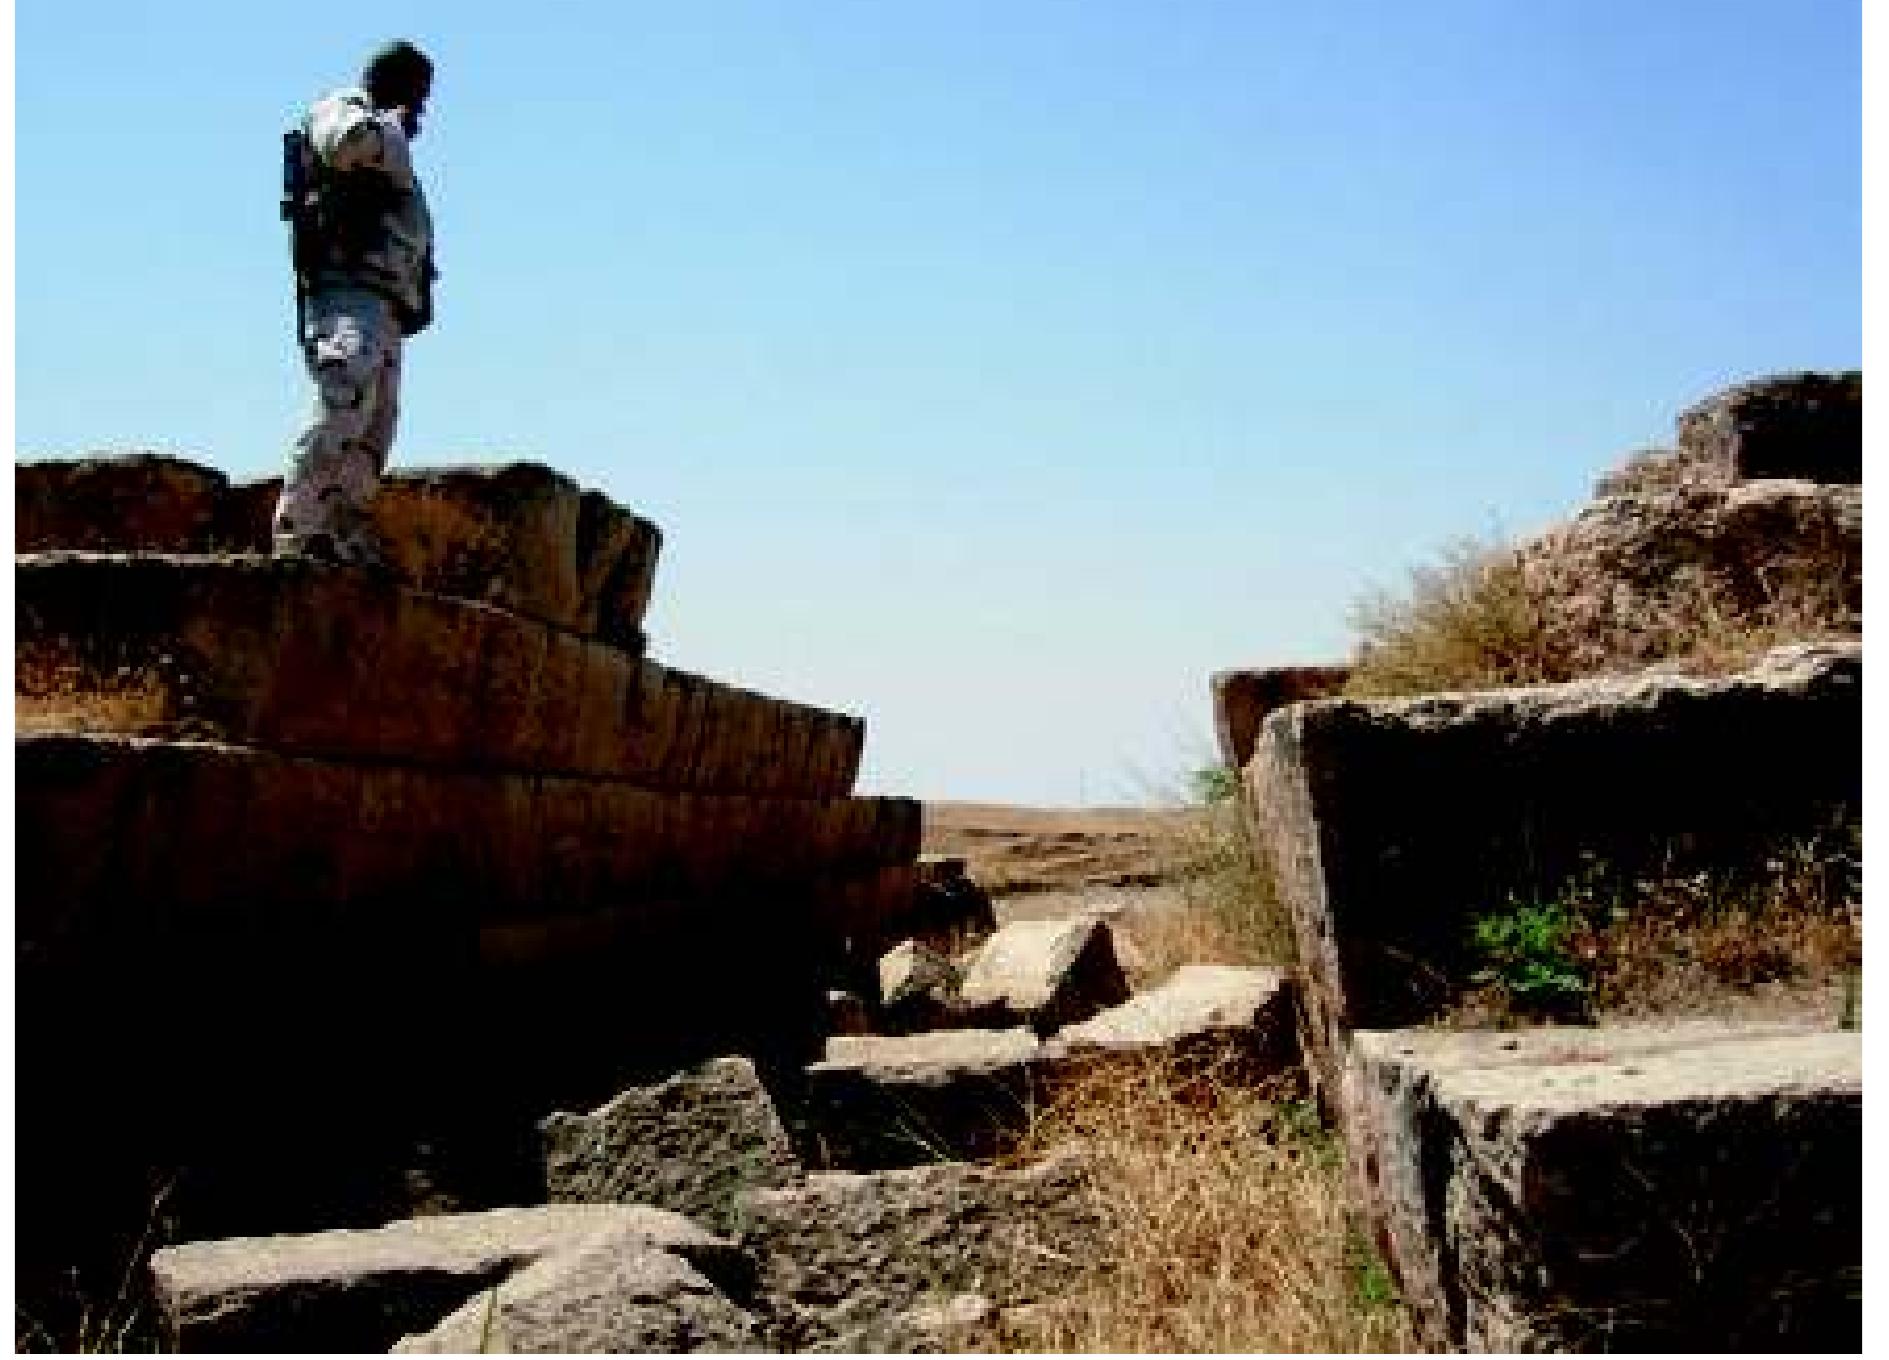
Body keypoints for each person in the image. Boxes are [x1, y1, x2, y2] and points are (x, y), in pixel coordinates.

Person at [273, 40, 437, 566]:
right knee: (343, 402)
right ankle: (297, 530)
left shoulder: (389, 144)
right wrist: (391, 126)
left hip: (383, 303)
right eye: (418, 98)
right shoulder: (345, 109)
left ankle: (340, 533)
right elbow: (343, 144)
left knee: (374, 428)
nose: (422, 115)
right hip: (348, 294)